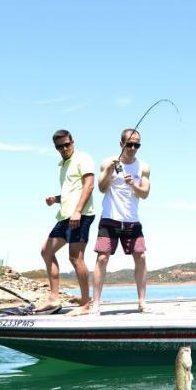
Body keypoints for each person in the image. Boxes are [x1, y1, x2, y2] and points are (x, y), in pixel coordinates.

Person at [93, 128, 151, 312]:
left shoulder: (143, 167)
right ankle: (96, 304)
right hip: (110, 218)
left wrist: (133, 184)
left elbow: (145, 194)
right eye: (130, 144)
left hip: (132, 221)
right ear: (121, 144)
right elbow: (101, 188)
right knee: (102, 258)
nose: (133, 148)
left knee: (140, 257)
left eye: (137, 144)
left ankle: (142, 302)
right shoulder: (107, 162)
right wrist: (110, 170)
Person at [41, 129, 96, 312]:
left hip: (80, 215)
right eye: (59, 147)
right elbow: (71, 191)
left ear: (73, 141)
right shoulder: (63, 165)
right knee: (46, 251)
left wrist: (78, 211)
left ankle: (86, 303)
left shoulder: (83, 158)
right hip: (65, 216)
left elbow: (89, 185)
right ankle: (54, 298)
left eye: (67, 144)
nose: (64, 148)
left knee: (75, 257)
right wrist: (55, 199)